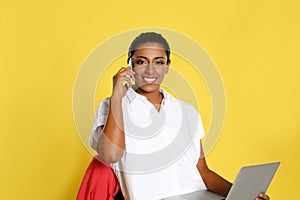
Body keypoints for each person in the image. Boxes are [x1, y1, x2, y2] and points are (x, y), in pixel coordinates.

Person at [77, 32, 270, 200]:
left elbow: (203, 172)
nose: (150, 70)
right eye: (141, 61)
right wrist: (117, 96)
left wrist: (240, 194)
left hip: (200, 196)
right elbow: (110, 155)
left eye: (158, 62)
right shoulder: (113, 106)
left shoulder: (187, 112)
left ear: (167, 66)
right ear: (130, 65)